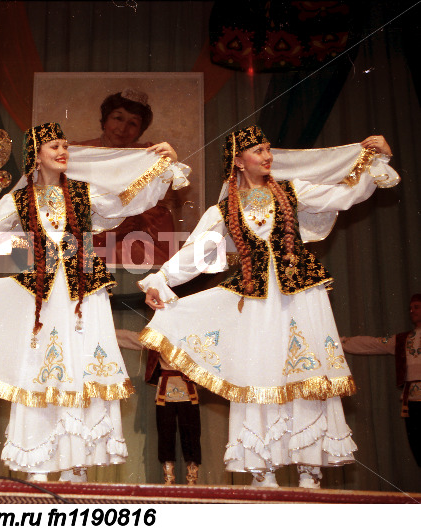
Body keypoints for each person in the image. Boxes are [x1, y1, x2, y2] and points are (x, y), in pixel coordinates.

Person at [0, 122, 189, 482]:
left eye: (64, 146)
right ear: (35, 155)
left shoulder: (86, 195)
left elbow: (130, 199)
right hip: (41, 297)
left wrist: (163, 166)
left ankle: (77, 463)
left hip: (85, 294)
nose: (62, 151)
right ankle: (38, 463)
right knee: (41, 367)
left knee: (82, 366)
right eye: (53, 146)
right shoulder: (19, 201)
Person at [138, 125, 398, 488]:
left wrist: (377, 158)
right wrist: (160, 280)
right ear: (239, 162)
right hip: (257, 302)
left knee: (306, 373)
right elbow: (195, 255)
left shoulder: (292, 192)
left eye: (267, 149)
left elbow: (343, 196)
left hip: (300, 296)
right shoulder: (222, 211)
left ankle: (310, 471)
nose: (267, 155)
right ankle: (264, 471)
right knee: (259, 375)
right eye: (258, 150)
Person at [75, 89, 180, 267]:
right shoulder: (80, 152)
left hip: (133, 236)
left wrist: (171, 163)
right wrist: (105, 230)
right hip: (88, 236)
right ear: (105, 120)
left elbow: (158, 209)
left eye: (133, 123)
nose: (123, 128)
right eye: (118, 118)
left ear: (140, 130)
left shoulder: (147, 154)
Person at [341, 293, 421, 467]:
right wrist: (341, 343)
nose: (412, 311)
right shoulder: (404, 340)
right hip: (414, 402)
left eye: (417, 307)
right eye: (410, 308)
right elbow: (374, 344)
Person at [115, 329, 202, 485]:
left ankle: (192, 478)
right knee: (165, 435)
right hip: (165, 391)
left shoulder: (193, 333)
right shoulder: (158, 336)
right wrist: (107, 331)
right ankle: (169, 478)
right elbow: (134, 339)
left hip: (188, 391)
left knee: (192, 435)